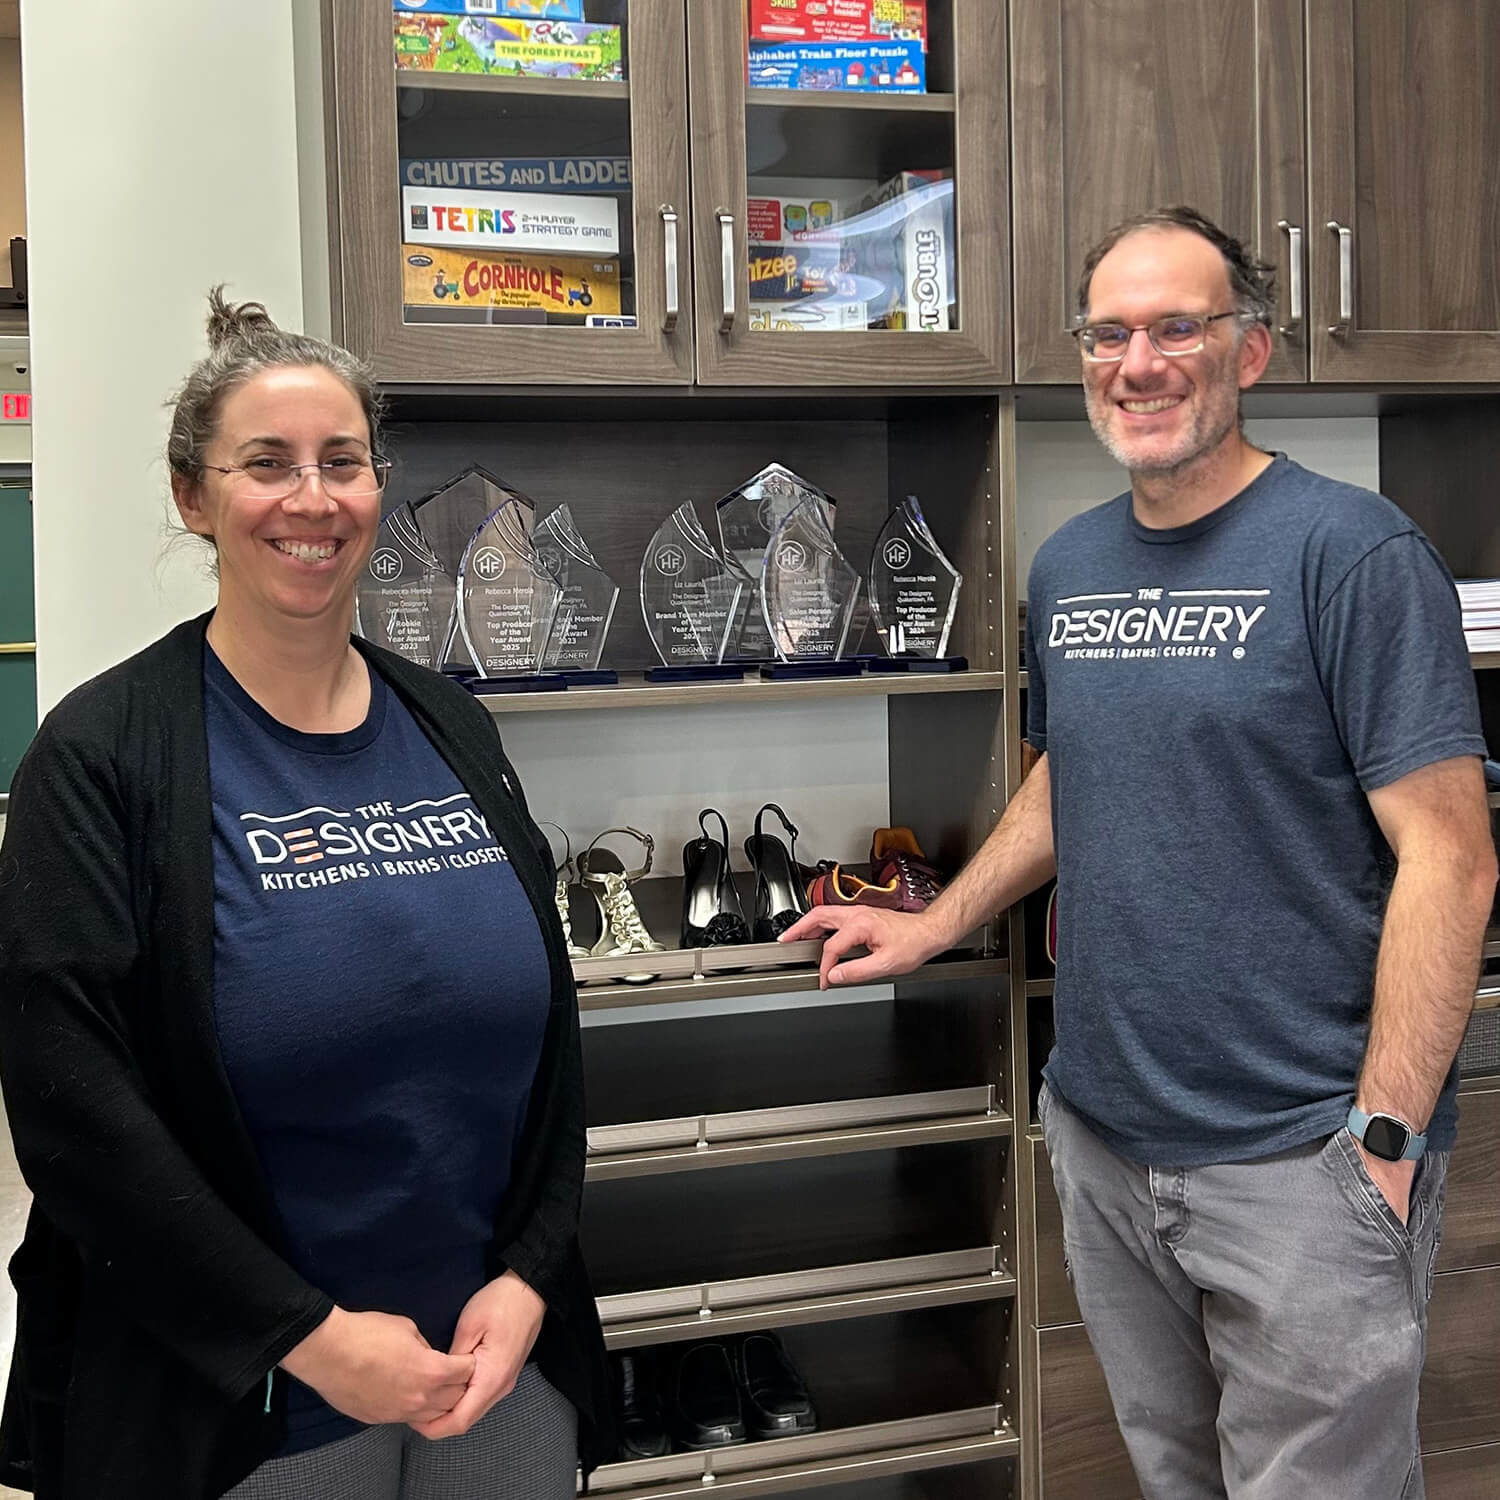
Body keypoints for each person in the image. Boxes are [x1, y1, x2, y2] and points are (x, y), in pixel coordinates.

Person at [783, 206, 1497, 1498]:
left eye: (1178, 328)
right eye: (1108, 334)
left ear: (1251, 350)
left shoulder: (1354, 553)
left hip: (1303, 1152)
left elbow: (1453, 860)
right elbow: (1070, 778)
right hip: (1108, 1139)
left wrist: (1383, 1141)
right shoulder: (1070, 566)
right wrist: (937, 921)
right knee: (1177, 1478)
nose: (1139, 363)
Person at [0, 291, 611, 1500]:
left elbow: (551, 1046)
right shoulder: (104, 756)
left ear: (378, 487)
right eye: (267, 464)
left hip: (495, 1369)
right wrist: (310, 1337)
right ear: (195, 496)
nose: (313, 498)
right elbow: (77, 1119)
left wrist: (531, 1273)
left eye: (343, 461)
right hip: (254, 1406)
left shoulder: (450, 724)